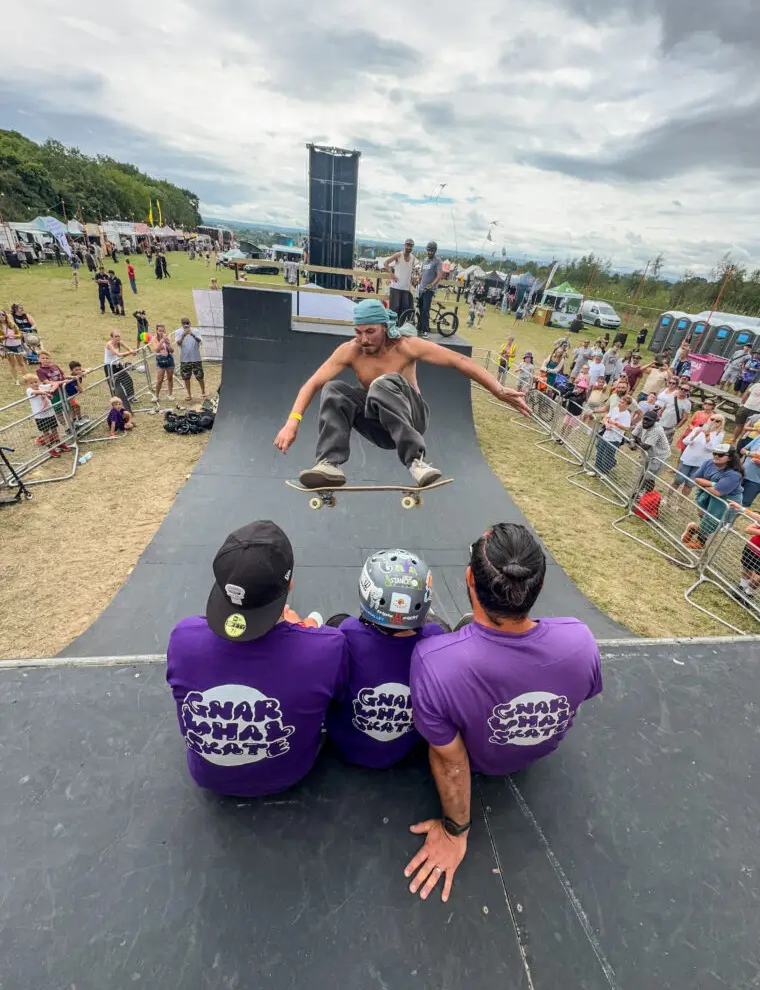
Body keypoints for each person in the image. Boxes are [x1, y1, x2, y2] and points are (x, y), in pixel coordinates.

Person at [405, 523, 601, 902]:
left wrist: (454, 830)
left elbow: (452, 763)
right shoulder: (580, 640)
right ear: (539, 587)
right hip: (534, 753)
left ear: (469, 580)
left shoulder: (434, 662)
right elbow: (579, 695)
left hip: (480, 762)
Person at [166, 520, 345, 797]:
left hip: (208, 777)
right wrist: (304, 630)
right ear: (290, 583)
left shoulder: (183, 636)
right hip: (288, 775)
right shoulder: (326, 648)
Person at [274, 299, 531, 490]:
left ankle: (416, 462)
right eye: (358, 332)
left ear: (385, 327)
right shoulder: (350, 350)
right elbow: (312, 383)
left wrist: (496, 389)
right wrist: (291, 422)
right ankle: (329, 464)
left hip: (413, 418)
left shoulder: (407, 346)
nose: (363, 340)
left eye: (370, 332)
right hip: (383, 428)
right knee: (334, 389)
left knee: (383, 383)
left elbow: (458, 360)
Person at [326, 550, 445, 768]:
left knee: (336, 622)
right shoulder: (435, 638)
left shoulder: (348, 632)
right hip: (402, 750)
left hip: (345, 745)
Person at [682, 445, 744, 549]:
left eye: (720, 454)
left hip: (727, 500)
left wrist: (706, 484)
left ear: (729, 457)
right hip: (708, 495)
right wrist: (715, 484)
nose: (716, 456)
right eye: (714, 453)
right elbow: (696, 479)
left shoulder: (734, 474)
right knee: (704, 516)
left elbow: (717, 492)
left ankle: (700, 543)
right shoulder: (708, 462)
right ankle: (693, 529)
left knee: (712, 520)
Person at [670, 415, 725, 496]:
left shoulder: (719, 434)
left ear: (721, 423)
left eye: (717, 421)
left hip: (701, 463)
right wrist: (694, 435)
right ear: (708, 419)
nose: (713, 422)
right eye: (712, 419)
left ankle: (679, 503)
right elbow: (685, 441)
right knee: (678, 480)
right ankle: (667, 498)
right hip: (688, 459)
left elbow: (712, 448)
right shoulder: (698, 429)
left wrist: (707, 436)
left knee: (689, 484)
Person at [24, 372, 69, 457]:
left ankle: (59, 443)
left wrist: (51, 390)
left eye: (35, 381)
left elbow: (55, 384)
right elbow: (35, 392)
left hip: (50, 413)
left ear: (39, 381)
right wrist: (45, 393)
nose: (34, 384)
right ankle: (50, 448)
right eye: (31, 383)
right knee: (46, 432)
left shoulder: (41, 387)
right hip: (40, 416)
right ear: (27, 384)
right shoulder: (29, 390)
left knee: (54, 429)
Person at [595, 393, 633, 474]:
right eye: (620, 401)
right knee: (599, 450)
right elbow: (606, 417)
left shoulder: (627, 415)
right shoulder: (615, 409)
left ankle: (604, 471)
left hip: (615, 438)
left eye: (622, 402)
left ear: (626, 405)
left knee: (607, 455)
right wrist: (607, 424)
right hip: (606, 435)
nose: (620, 403)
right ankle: (597, 468)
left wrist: (616, 424)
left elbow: (627, 428)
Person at [628, 407, 671, 475]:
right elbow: (633, 434)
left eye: (649, 420)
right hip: (648, 453)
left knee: (649, 478)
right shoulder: (642, 423)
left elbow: (646, 446)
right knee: (641, 473)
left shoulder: (657, 430)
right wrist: (633, 442)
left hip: (658, 456)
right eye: (645, 419)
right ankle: (639, 485)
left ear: (655, 421)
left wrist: (635, 441)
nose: (645, 421)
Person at [384, 239, 416, 325]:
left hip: (405, 288)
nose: (409, 247)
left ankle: (400, 328)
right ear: (404, 245)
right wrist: (391, 274)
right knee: (394, 308)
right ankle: (391, 327)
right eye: (407, 245)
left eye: (410, 246)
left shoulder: (413, 258)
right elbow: (386, 263)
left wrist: (412, 278)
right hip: (396, 287)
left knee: (404, 309)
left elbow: (409, 271)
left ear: (412, 247)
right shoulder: (398, 255)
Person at [175, 317, 206, 401]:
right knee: (186, 377)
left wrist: (192, 334)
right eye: (184, 323)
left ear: (190, 323)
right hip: (184, 359)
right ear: (181, 324)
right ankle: (189, 394)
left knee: (200, 376)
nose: (186, 325)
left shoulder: (196, 331)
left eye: (187, 323)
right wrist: (183, 336)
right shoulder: (178, 332)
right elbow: (178, 343)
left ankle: (203, 392)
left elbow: (201, 341)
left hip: (196, 358)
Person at [416, 241, 443, 338]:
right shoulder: (425, 260)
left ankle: (425, 330)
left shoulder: (437, 261)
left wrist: (431, 285)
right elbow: (423, 273)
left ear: (435, 251)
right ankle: (419, 328)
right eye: (428, 250)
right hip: (422, 288)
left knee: (425, 309)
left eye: (431, 251)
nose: (429, 252)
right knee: (420, 308)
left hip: (429, 290)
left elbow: (440, 275)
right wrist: (418, 279)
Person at [733, 379, 760, 443]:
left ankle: (740, 442)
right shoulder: (756, 385)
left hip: (757, 411)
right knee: (739, 425)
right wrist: (742, 404)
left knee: (747, 428)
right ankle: (733, 440)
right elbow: (747, 394)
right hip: (746, 407)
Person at [740, 430, 760, 508]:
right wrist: (749, 453)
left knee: (742, 505)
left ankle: (729, 520)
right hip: (742, 474)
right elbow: (742, 450)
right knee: (727, 498)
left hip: (757, 481)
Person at [0, 309, 26, 384]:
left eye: (3, 314)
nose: (1, 316)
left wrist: (14, 336)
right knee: (12, 364)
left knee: (21, 362)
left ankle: (25, 378)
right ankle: (16, 380)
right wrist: (4, 336)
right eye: (0, 315)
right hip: (7, 346)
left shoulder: (12, 324)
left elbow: (20, 335)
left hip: (17, 345)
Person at [151, 323, 175, 401]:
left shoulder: (168, 337)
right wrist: (161, 341)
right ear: (157, 331)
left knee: (170, 378)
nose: (161, 332)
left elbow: (172, 350)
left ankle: (170, 394)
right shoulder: (154, 338)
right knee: (160, 379)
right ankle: (156, 396)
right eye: (160, 330)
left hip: (169, 359)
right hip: (160, 359)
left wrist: (168, 343)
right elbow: (156, 349)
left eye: (163, 330)